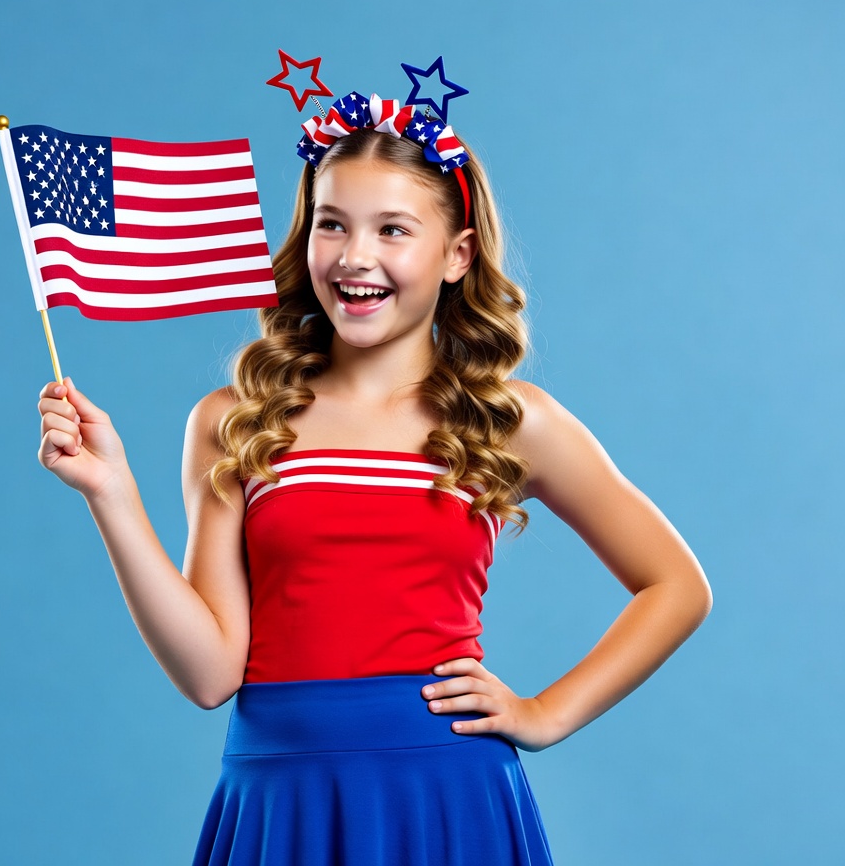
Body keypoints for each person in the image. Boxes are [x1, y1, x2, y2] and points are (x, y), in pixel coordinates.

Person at [37, 91, 712, 865]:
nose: (355, 257)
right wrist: (110, 492)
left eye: (392, 229)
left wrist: (546, 714)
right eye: (333, 224)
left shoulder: (509, 420)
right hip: (277, 796)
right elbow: (210, 674)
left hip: (448, 792)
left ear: (457, 255)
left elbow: (675, 585)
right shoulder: (236, 417)